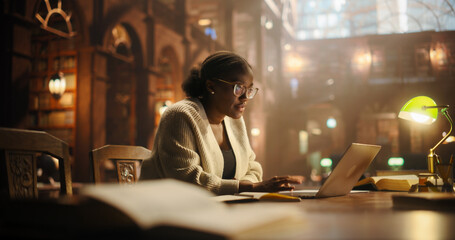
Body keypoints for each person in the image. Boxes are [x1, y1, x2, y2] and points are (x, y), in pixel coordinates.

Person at [141, 51, 303, 195]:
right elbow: (185, 178)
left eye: (249, 89)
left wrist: (236, 186)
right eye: (238, 88)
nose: (245, 97)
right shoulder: (180, 115)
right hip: (168, 214)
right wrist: (243, 187)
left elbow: (252, 167)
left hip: (217, 210)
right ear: (211, 86)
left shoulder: (234, 122)